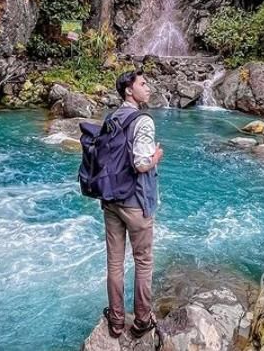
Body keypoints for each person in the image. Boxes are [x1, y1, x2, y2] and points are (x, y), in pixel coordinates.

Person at [102, 69, 164, 339]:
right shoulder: (144, 121)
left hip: (111, 199)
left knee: (114, 263)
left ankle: (116, 322)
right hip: (136, 202)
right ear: (129, 90)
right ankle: (141, 321)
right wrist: (156, 157)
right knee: (143, 262)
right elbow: (140, 164)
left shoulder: (111, 117)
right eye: (143, 83)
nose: (148, 87)